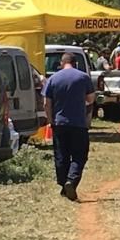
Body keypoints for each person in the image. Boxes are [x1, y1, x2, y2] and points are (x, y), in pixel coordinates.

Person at [44, 53, 96, 201]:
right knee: (79, 155)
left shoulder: (53, 79)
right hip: (78, 123)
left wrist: (50, 121)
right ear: (75, 63)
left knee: (61, 155)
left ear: (62, 63)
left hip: (59, 123)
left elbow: (46, 103)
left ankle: (63, 186)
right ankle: (71, 181)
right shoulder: (83, 77)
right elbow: (90, 98)